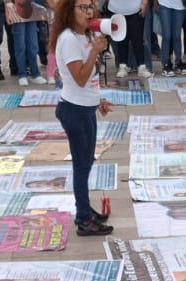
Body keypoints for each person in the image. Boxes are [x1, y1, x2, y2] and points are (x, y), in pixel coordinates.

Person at [54, 0, 115, 237]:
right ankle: (83, 219)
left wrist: (97, 99)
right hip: (74, 111)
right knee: (81, 166)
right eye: (82, 7)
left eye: (90, 6)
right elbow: (78, 77)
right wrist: (95, 51)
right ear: (70, 11)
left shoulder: (86, 36)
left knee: (87, 161)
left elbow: (90, 79)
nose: (88, 11)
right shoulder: (68, 39)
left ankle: (84, 207)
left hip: (85, 108)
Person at [6, 0, 48, 84]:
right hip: (16, 12)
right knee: (20, 46)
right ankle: (22, 74)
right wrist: (7, 12)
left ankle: (35, 74)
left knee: (33, 46)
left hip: (31, 11)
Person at [157, 0, 186, 74]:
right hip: (164, 4)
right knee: (167, 36)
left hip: (180, 6)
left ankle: (178, 62)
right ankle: (166, 64)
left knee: (177, 36)